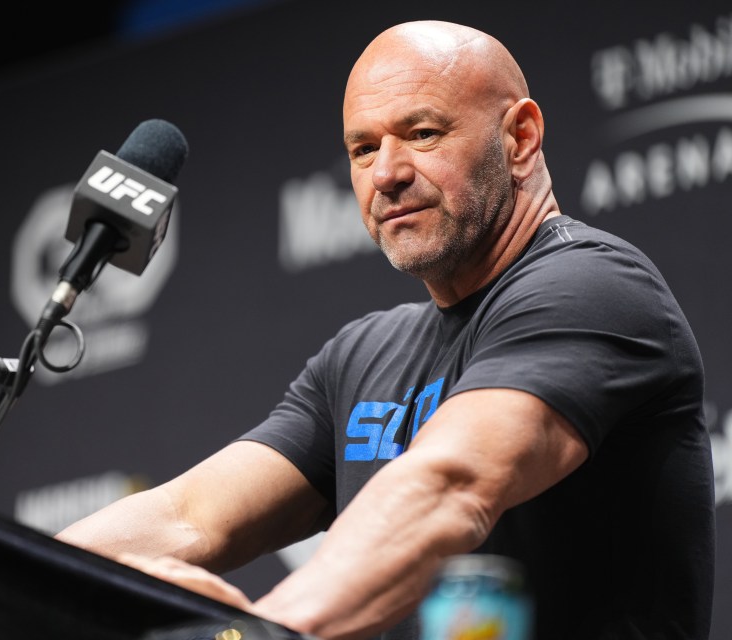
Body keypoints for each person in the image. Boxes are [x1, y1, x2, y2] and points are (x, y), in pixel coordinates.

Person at [55, 20, 715, 640]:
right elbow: (187, 518)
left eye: (423, 134)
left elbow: (449, 488)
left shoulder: (594, 288)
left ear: (520, 138)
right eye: (363, 149)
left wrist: (259, 634)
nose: (387, 174)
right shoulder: (363, 354)